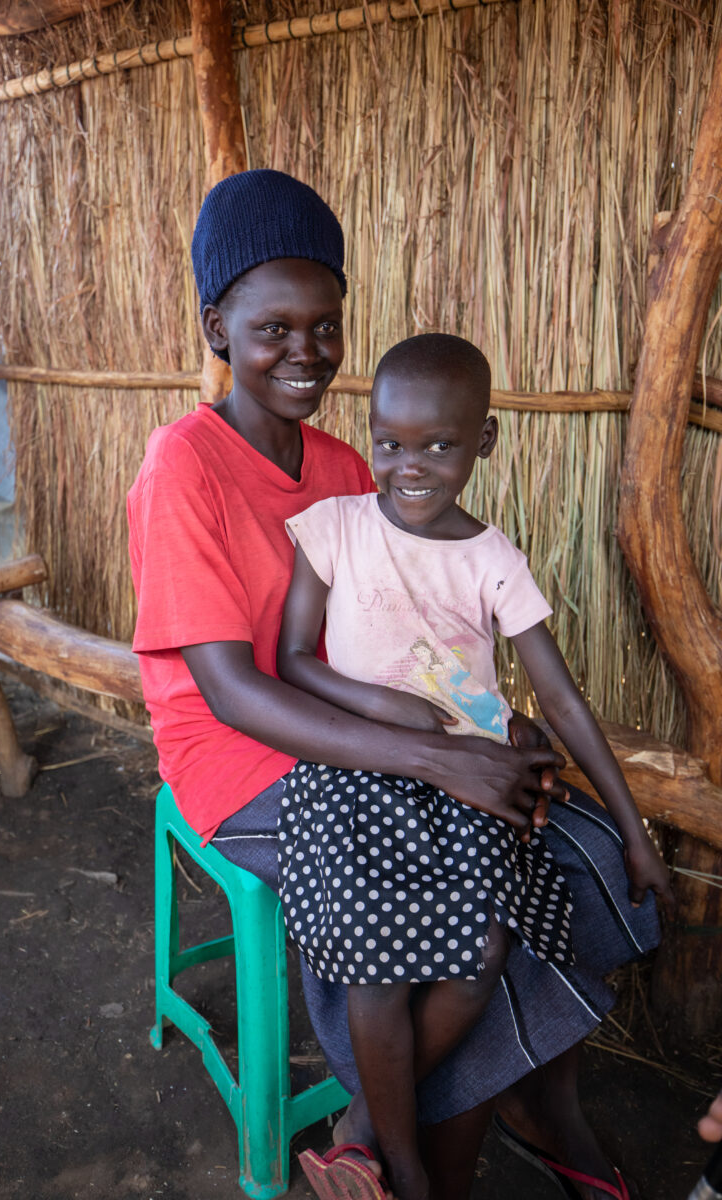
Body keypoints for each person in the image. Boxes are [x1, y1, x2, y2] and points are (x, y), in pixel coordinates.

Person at [127, 169, 668, 1200]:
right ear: (216, 325)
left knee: (566, 840)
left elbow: (396, 642)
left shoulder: (348, 464)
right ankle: (412, 1154)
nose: (304, 353)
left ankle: (479, 1107)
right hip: (239, 756)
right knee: (437, 902)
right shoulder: (180, 468)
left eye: (324, 327)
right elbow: (236, 692)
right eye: (273, 327)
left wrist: (483, 725)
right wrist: (434, 757)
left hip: (359, 717)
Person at [275, 333, 673, 1200]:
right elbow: (293, 660)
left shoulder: (492, 562)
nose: (408, 467)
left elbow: (562, 703)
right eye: (390, 443)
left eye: (438, 446)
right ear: (369, 432)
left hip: (462, 785)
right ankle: (409, 1171)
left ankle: (368, 1128)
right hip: (350, 774)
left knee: (484, 950)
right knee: (379, 964)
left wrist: (637, 837)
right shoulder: (337, 527)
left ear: (483, 442)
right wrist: (386, 706)